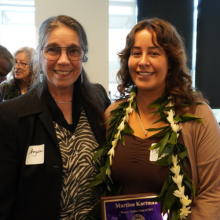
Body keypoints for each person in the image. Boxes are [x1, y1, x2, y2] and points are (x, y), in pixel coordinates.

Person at [95, 18, 220, 219]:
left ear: (170, 62)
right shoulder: (113, 114)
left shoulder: (198, 115)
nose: (143, 61)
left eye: (154, 53)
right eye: (136, 53)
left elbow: (213, 193)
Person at [0, 15, 110, 220]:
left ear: (83, 56)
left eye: (73, 51)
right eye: (53, 50)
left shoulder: (99, 99)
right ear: (39, 56)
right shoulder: (11, 115)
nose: (63, 60)